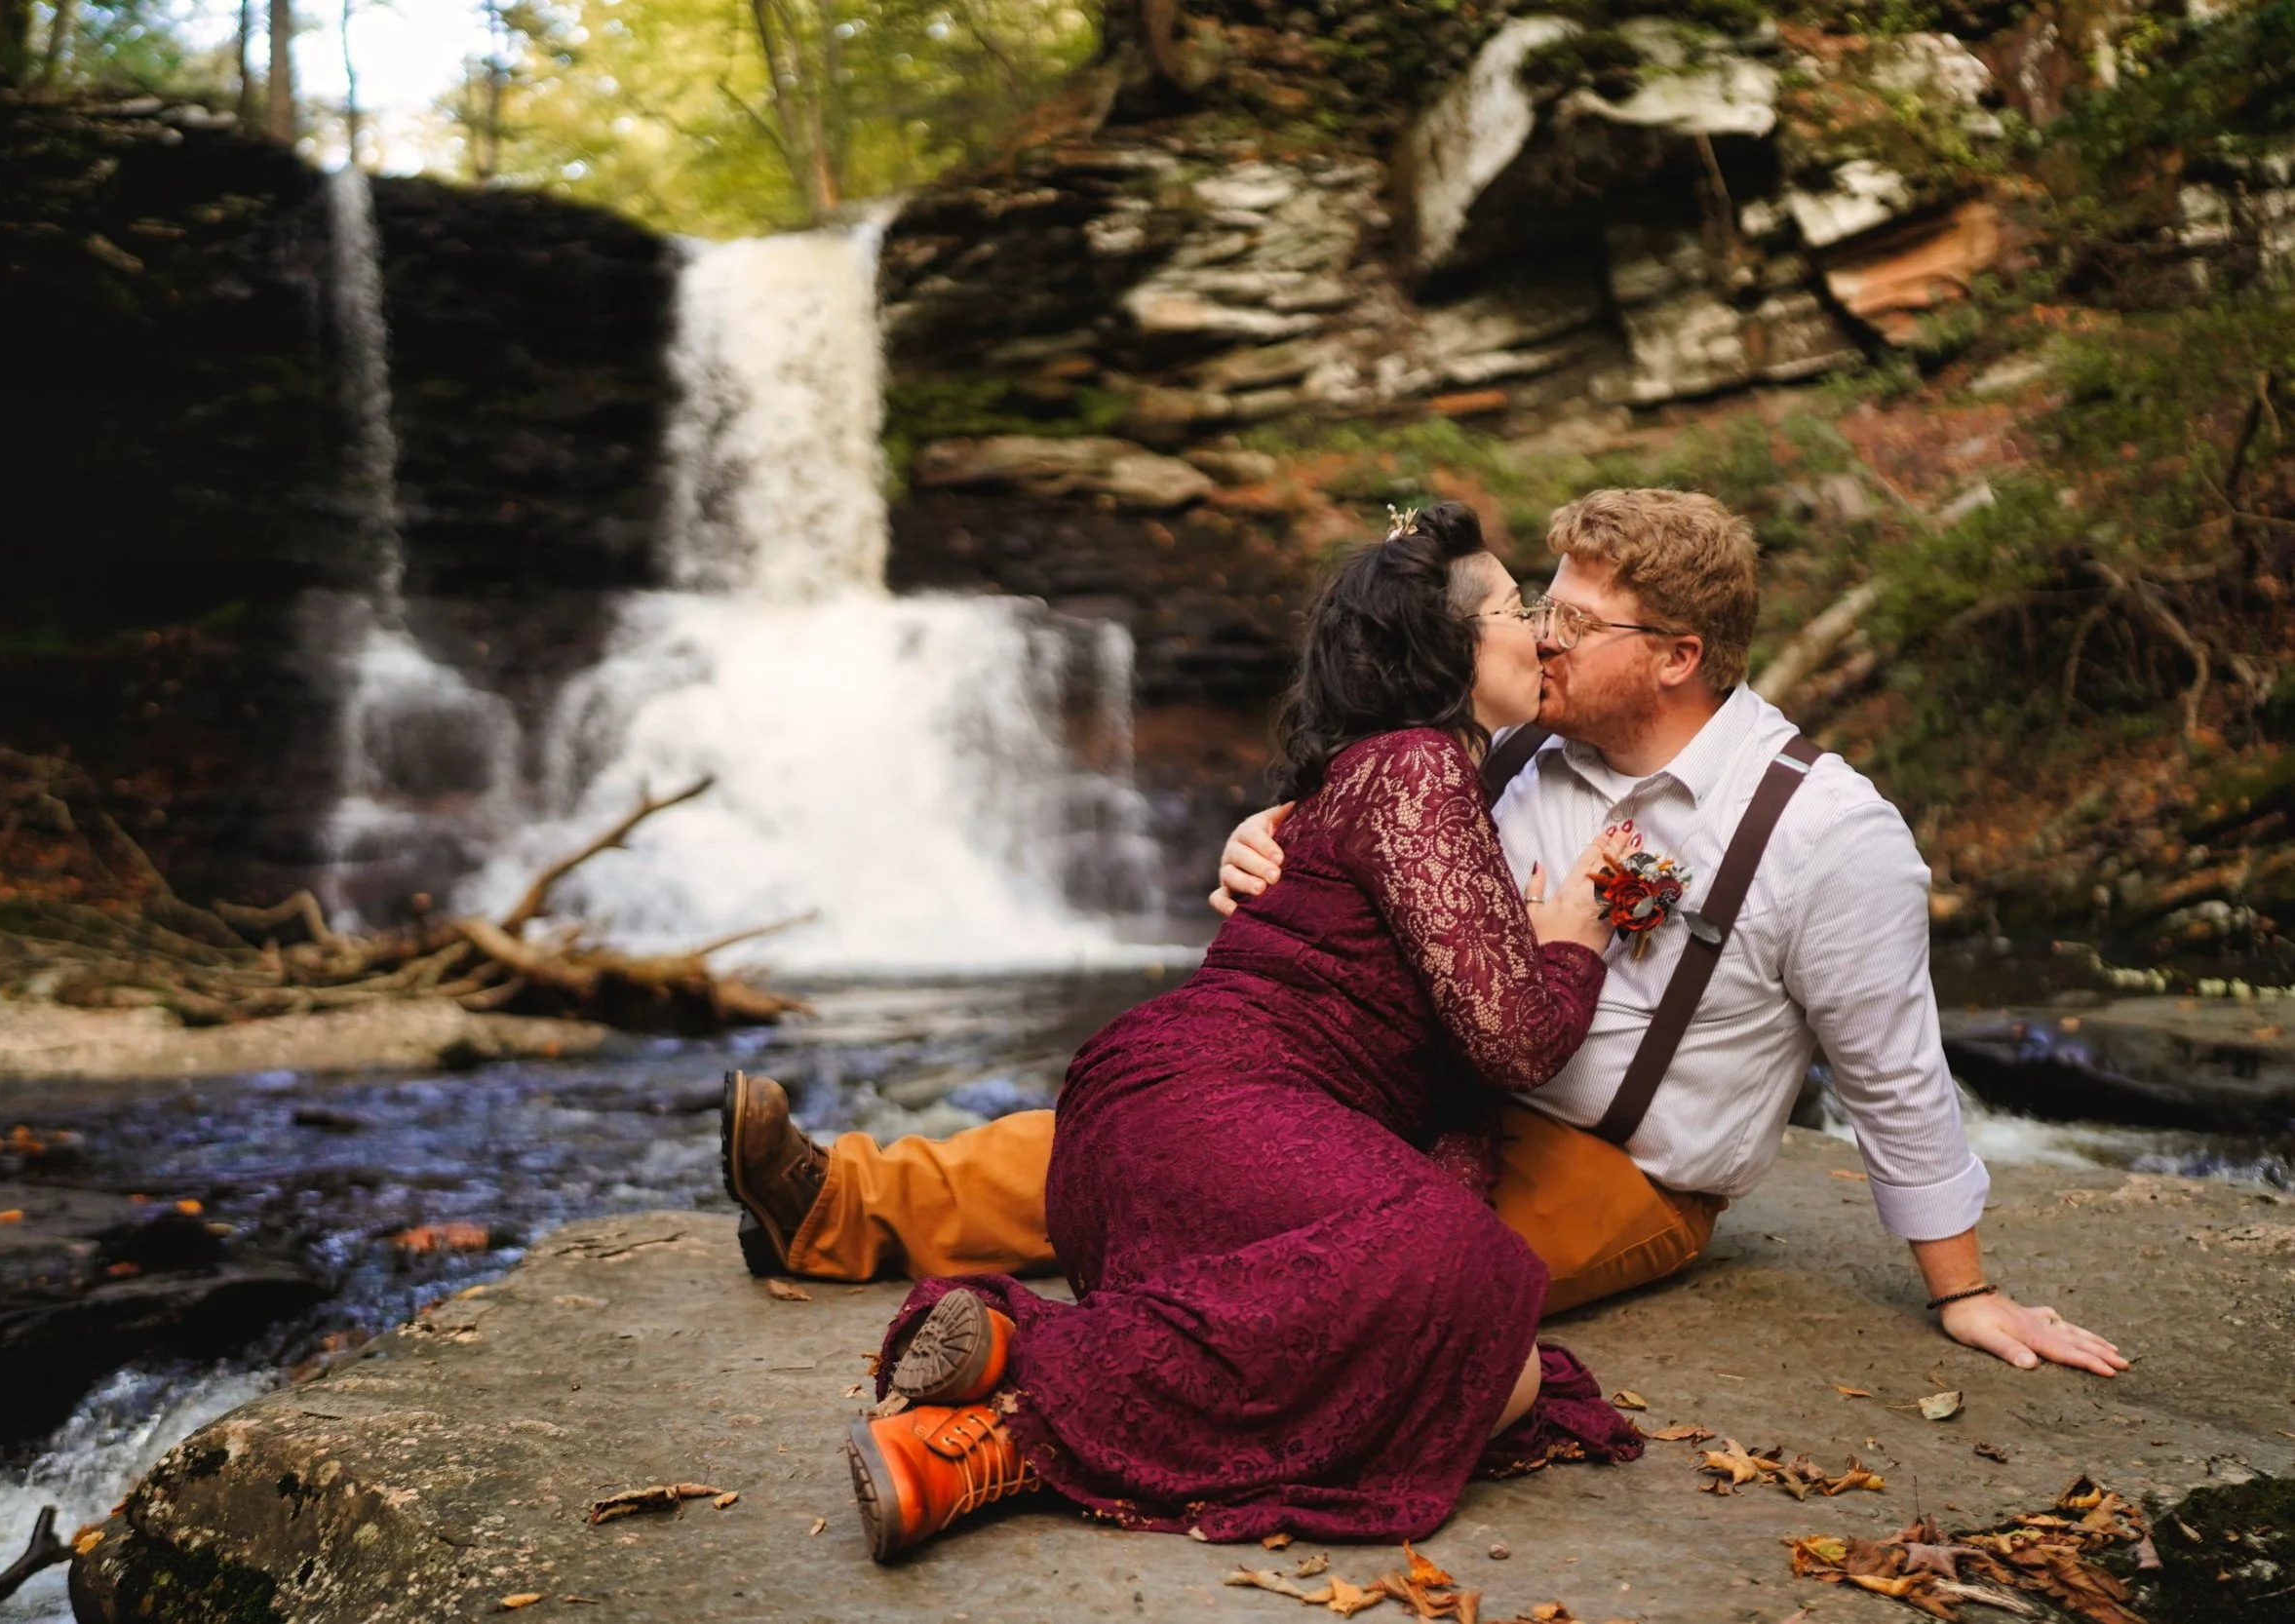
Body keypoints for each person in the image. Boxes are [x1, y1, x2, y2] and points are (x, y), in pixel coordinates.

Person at [725, 486, 2127, 1378]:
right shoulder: (1509, 744)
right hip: (1409, 1082)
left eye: (1576, 620)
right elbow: (1370, 857)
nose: (1545, 639)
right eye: (1545, 609)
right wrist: (1259, 842)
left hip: (1615, 1169)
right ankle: (836, 1204)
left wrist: (1967, 1291)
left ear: (1682, 656)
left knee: (1346, 1273)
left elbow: (1893, 1067)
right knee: (1141, 1132)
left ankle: (1029, 1386)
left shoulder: (1829, 835)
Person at [832, 503, 1646, 1562]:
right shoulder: (1417, 768)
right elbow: (1512, 1044)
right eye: (1511, 609)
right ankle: (1009, 1421)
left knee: (1493, 1357)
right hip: (1216, 1111)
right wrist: (1574, 939)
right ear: (1446, 644)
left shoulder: (1359, 778)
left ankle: (990, 1362)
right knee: (1470, 1289)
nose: (1539, 633)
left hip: (1148, 1142)